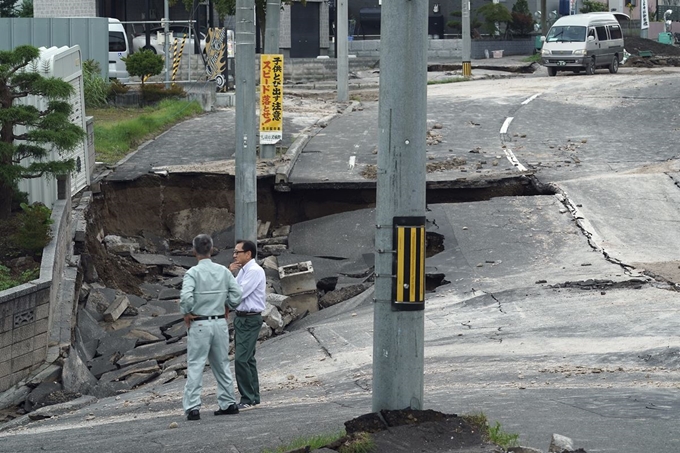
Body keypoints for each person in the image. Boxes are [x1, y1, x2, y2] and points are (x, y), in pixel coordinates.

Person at [180, 234, 242, 421]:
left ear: (194, 251)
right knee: (222, 364)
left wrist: (187, 311)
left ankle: (193, 407)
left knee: (196, 365)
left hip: (200, 323)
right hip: (219, 323)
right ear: (212, 250)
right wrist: (227, 305)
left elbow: (186, 297)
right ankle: (228, 402)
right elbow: (237, 294)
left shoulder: (193, 273)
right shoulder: (223, 271)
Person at [229, 239, 266, 411]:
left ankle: (247, 398)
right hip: (241, 318)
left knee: (241, 359)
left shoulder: (254, 271)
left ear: (248, 253)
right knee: (248, 358)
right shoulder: (243, 271)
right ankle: (253, 397)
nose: (234, 255)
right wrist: (231, 273)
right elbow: (234, 288)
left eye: (238, 252)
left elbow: (238, 294)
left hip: (250, 319)